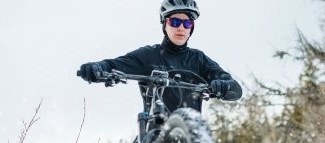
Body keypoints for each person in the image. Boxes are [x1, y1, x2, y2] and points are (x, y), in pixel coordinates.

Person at [78, 0, 242, 113]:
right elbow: (114, 65)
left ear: (191, 28)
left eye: (187, 23)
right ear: (165, 24)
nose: (181, 28)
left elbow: (234, 87)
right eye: (175, 22)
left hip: (191, 134)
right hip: (156, 128)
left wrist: (224, 86)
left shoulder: (199, 60)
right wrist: (98, 68)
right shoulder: (149, 55)